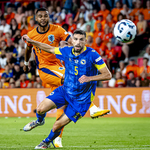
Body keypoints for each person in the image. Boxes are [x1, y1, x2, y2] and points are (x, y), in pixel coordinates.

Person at [23, 8, 110, 148]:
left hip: (58, 67)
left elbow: (70, 39)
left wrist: (75, 47)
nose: (43, 18)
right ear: (36, 18)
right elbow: (34, 48)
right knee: (69, 78)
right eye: (40, 16)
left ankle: (55, 137)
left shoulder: (57, 30)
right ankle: (92, 107)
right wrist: (26, 63)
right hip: (46, 68)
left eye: (46, 16)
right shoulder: (31, 34)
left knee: (47, 109)